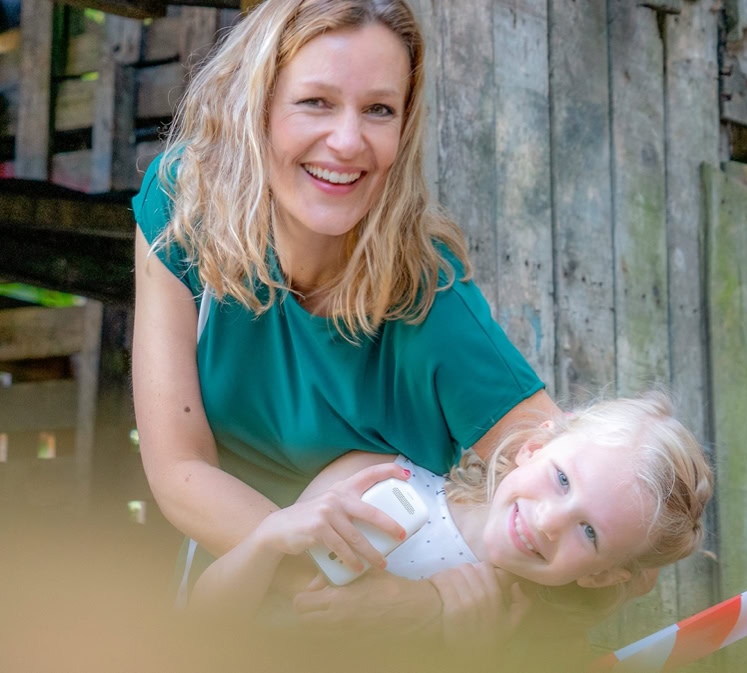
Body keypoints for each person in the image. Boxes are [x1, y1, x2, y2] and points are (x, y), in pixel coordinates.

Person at [130, 0, 657, 659]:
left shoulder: (433, 305)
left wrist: (431, 607)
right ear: (256, 102)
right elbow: (179, 468)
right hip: (233, 603)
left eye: (379, 110)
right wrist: (332, 584)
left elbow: (587, 531)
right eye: (316, 102)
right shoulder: (186, 204)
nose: (348, 141)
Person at [188, 394, 713, 658]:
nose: (549, 522)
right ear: (533, 448)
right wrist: (267, 537)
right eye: (561, 479)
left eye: (590, 532)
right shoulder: (382, 484)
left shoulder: (531, 641)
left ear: (600, 576)